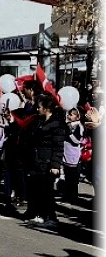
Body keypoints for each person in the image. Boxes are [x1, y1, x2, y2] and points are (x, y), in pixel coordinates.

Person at [25, 93, 66, 228]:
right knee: (36, 190)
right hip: (36, 160)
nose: (37, 109)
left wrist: (55, 164)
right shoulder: (38, 121)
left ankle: (52, 218)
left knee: (47, 192)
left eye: (39, 106)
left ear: (47, 108)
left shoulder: (56, 123)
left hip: (47, 161)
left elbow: (58, 146)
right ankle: (41, 215)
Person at [61, 106, 85, 204]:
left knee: (73, 179)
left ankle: (73, 197)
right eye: (69, 114)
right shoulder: (68, 124)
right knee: (68, 176)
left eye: (72, 114)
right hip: (66, 154)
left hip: (73, 155)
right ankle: (67, 195)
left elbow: (77, 140)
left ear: (77, 116)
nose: (69, 116)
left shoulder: (79, 126)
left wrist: (70, 132)